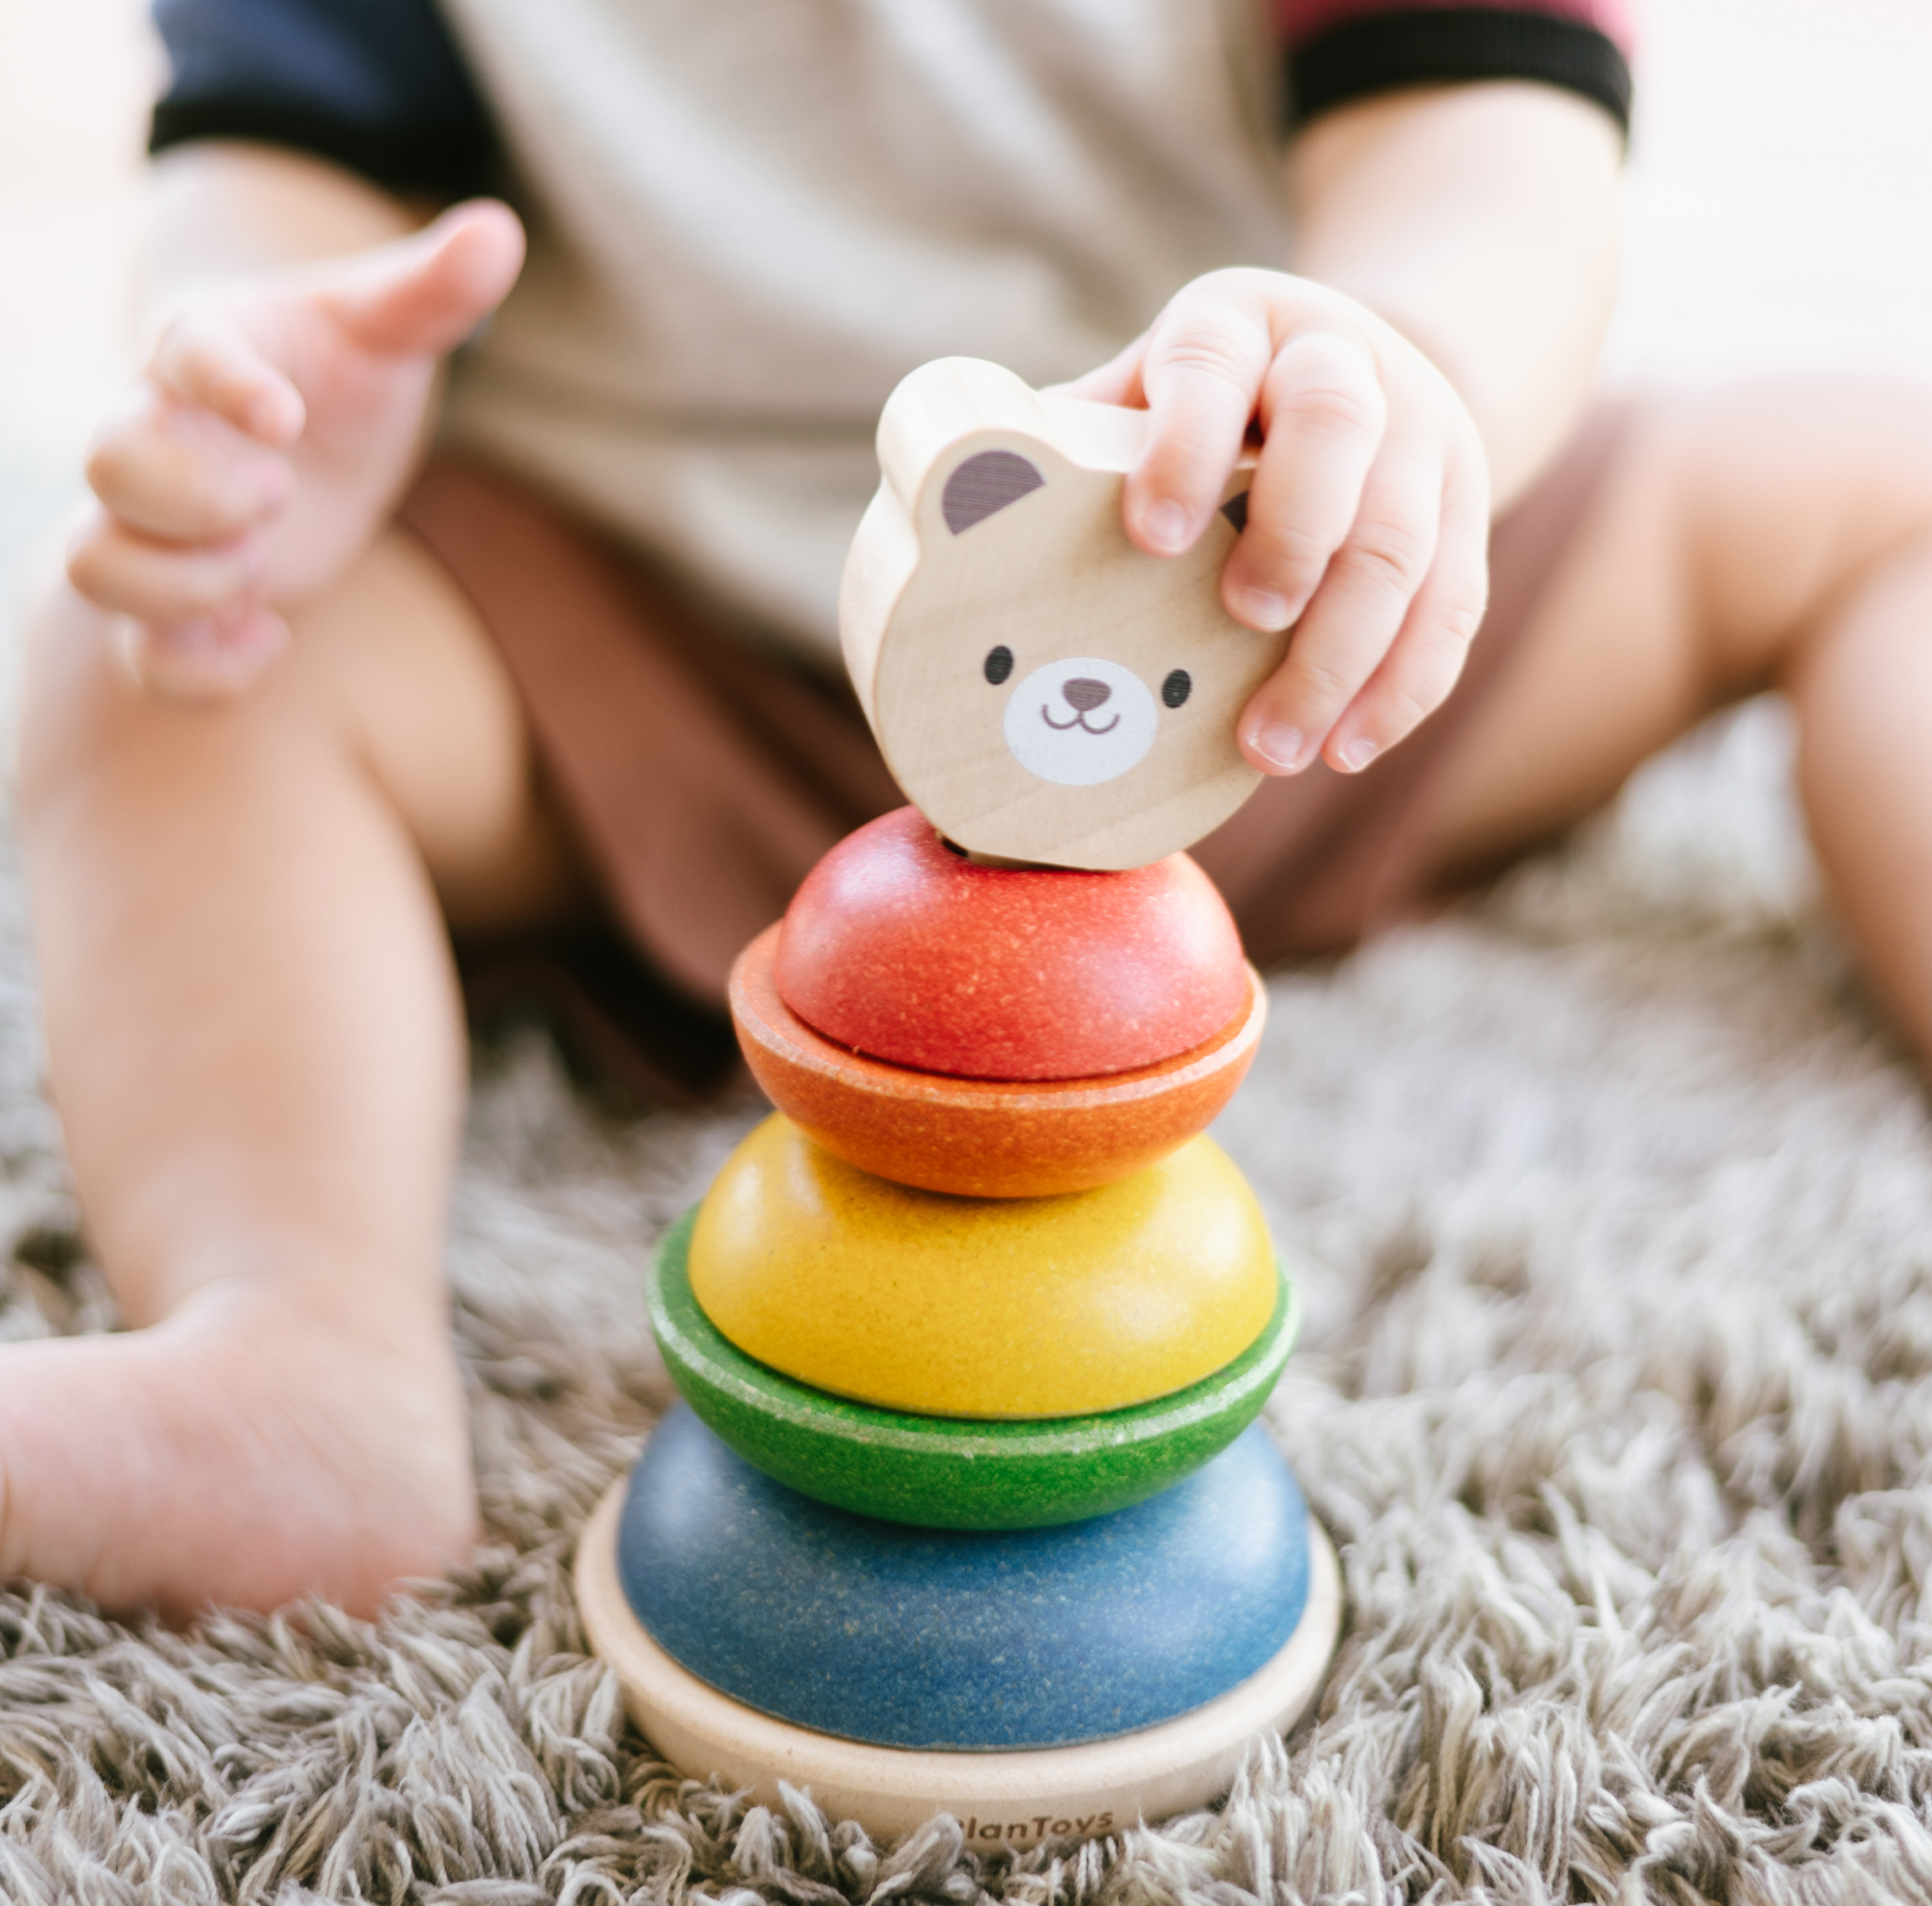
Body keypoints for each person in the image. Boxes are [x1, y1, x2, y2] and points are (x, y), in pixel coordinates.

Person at [16, 0, 1932, 1620]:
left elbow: (1498, 142)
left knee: (1882, 485)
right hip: (619, 636)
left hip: (1293, 619)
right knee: (154, 649)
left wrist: (1396, 372)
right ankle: (296, 1351)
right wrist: (269, 379)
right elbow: (275, 152)